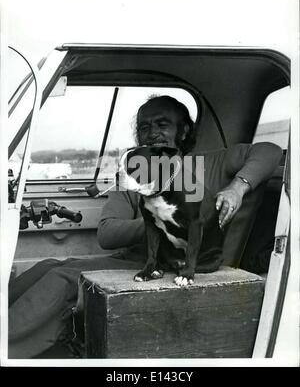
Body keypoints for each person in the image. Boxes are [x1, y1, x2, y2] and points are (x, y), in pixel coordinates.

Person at [8, 95, 282, 359]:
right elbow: (107, 233)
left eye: (162, 124)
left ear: (183, 131)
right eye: (144, 126)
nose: (152, 132)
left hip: (181, 265)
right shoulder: (134, 172)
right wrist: (159, 220)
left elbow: (269, 151)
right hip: (140, 260)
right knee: (49, 265)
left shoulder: (206, 164)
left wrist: (237, 187)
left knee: (64, 278)